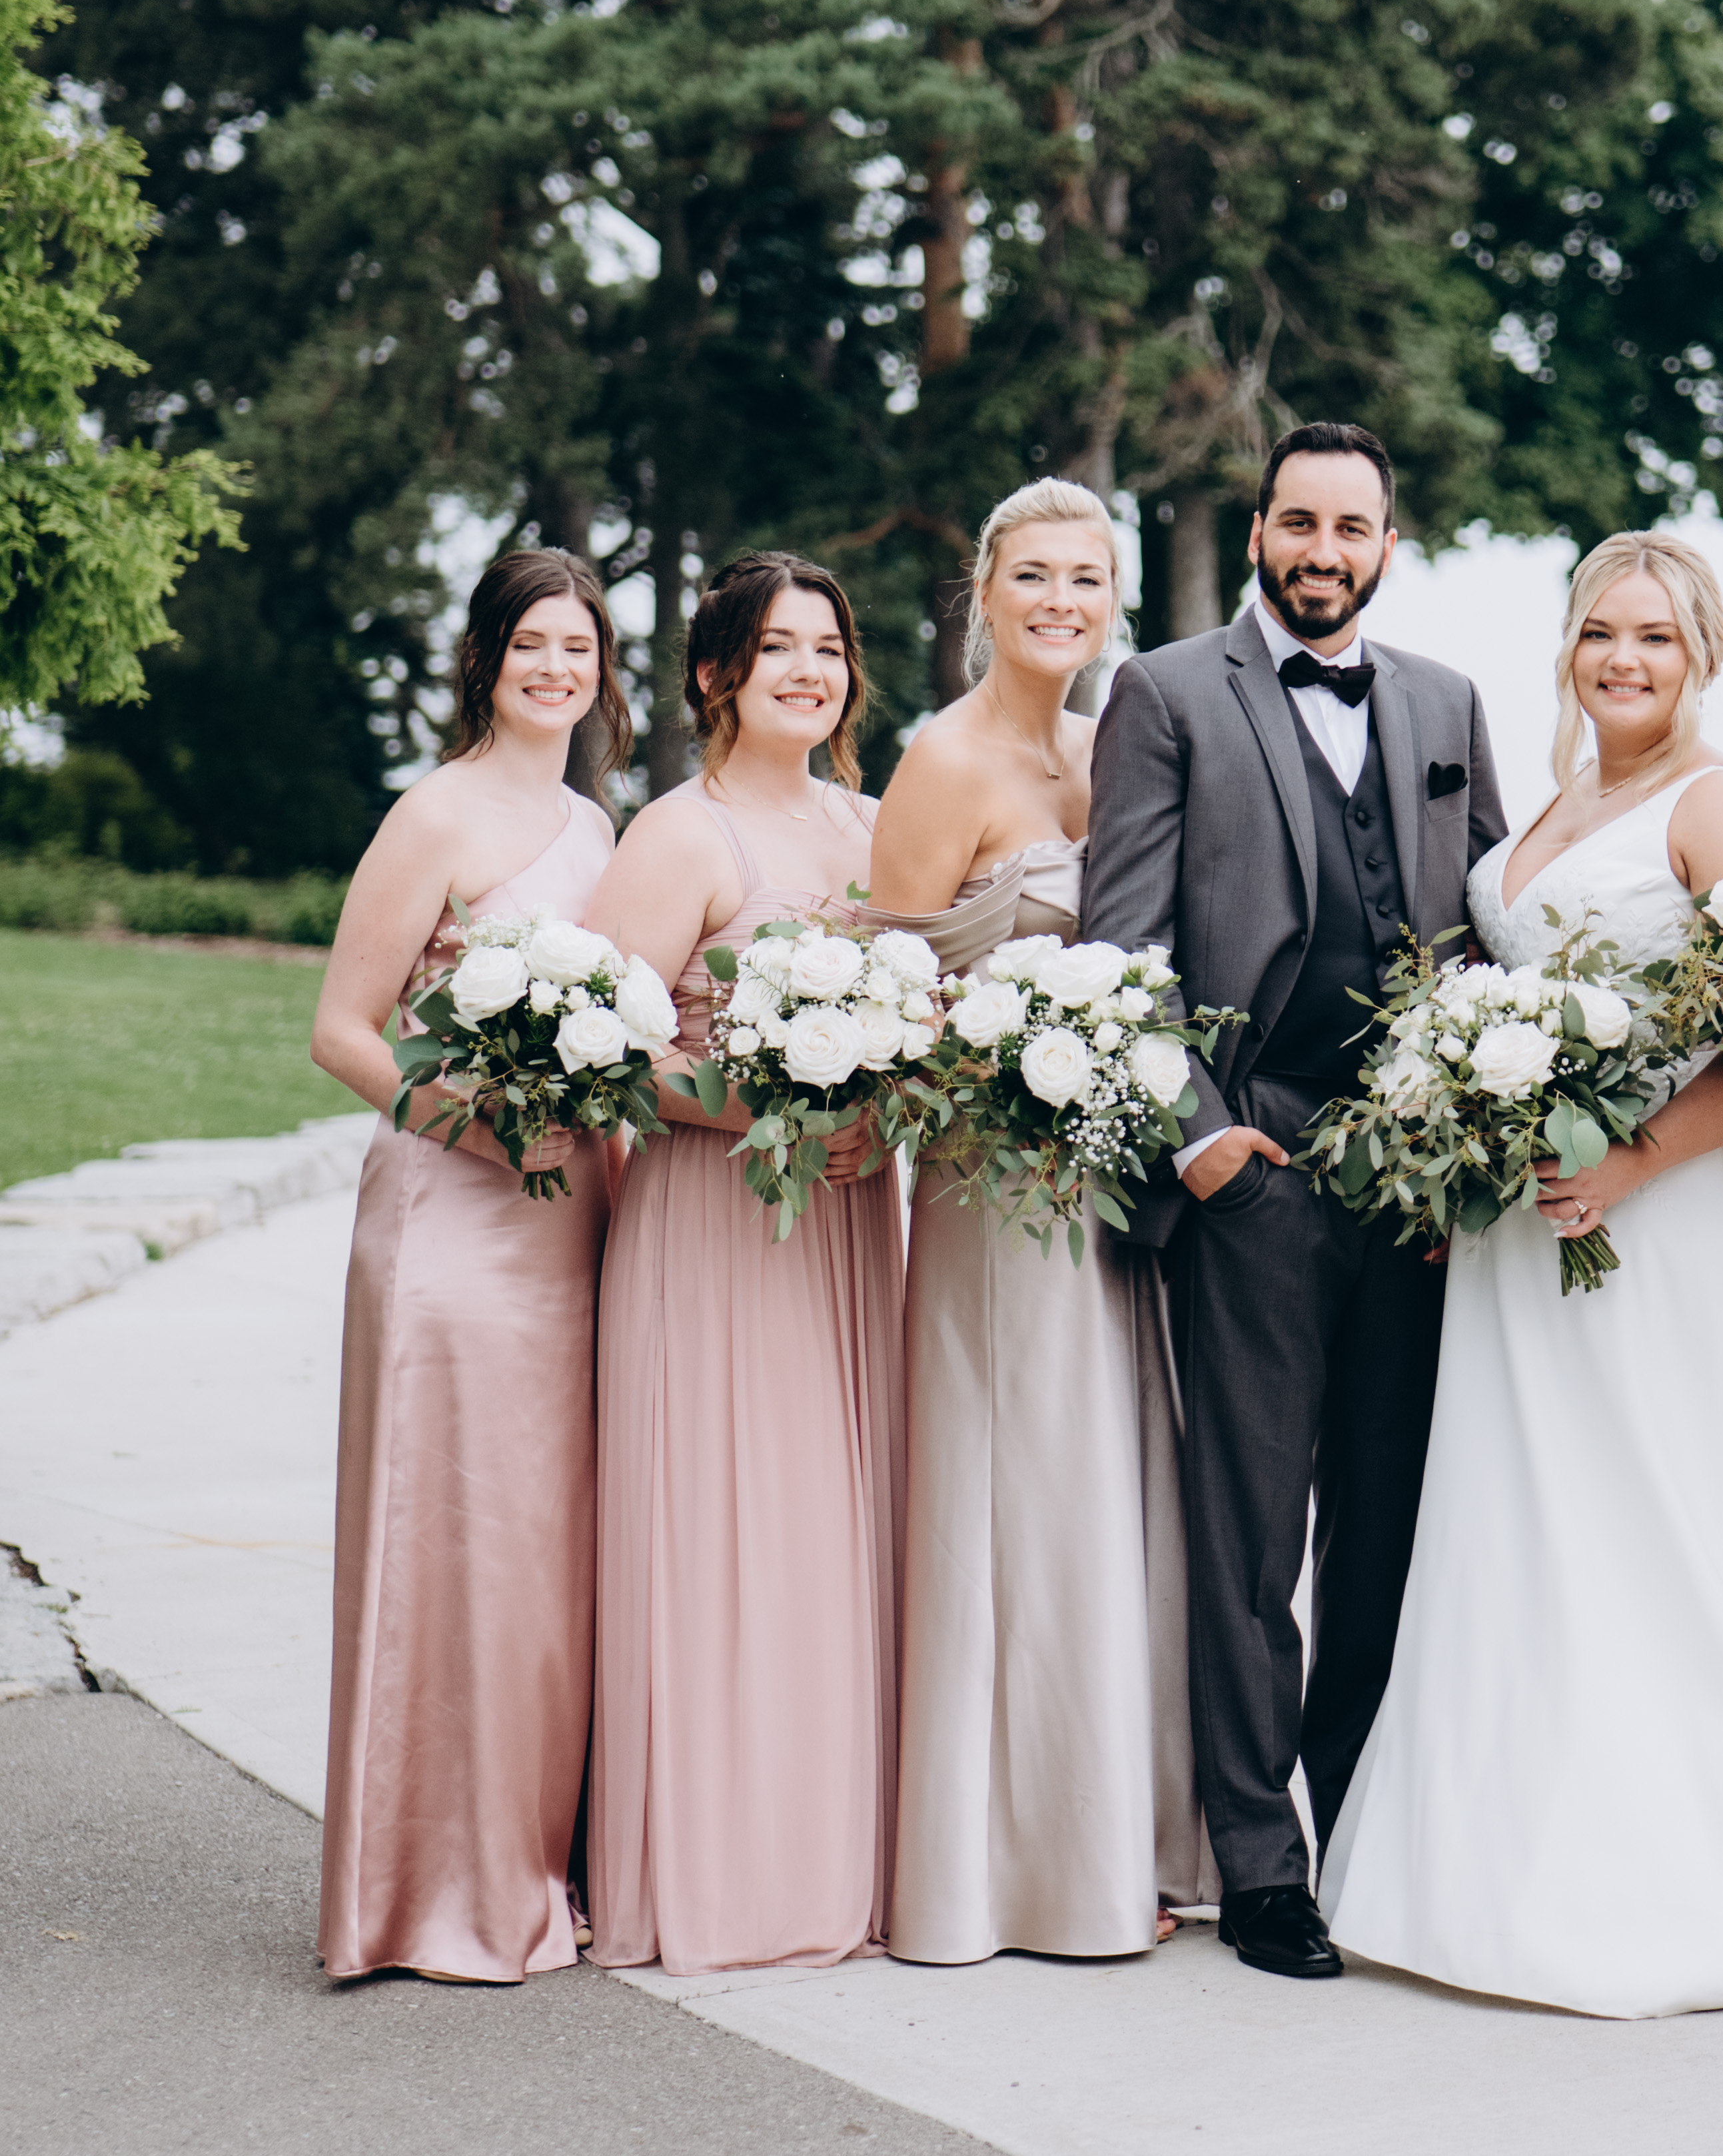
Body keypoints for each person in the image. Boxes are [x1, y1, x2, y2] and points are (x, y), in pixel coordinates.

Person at [1320, 536, 1723, 2019]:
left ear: (1701, 654)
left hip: (1674, 1224)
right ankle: (1505, 1855)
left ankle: (1717, 1868)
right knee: (1538, 1525)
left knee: (1674, 1522)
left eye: (1653, 636)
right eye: (1597, 633)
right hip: (1523, 1234)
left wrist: (1631, 1162)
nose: (1621, 659)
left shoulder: (1722, 804)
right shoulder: (1556, 800)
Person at [1077, 424, 1503, 1979]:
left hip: (1414, 1176)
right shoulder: (1168, 692)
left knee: (1385, 1524)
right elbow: (1122, 944)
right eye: (1300, 522)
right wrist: (1198, 1141)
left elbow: (1489, 934)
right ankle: (1261, 1863)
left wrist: (1476, 1138)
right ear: (1259, 530)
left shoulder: (1449, 702)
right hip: (1254, 1163)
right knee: (1251, 1532)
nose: (1325, 549)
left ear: (1390, 542)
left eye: (1353, 526)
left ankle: (1361, 1831)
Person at [865, 478, 1213, 1965]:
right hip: (996, 1188)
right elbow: (886, 1007)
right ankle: (1019, 1866)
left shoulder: (1105, 743)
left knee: (1114, 1490)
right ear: (985, 591)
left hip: (1112, 1188)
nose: (1060, 600)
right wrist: (1017, 1052)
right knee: (1028, 1492)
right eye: (1034, 575)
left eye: (1085, 577)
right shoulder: (941, 761)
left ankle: (1122, 1827)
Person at [585, 554, 906, 1975]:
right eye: (777, 647)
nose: (808, 671)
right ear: (717, 672)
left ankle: (840, 1858)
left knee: (834, 1532)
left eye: (827, 648)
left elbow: (926, 1018)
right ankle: (727, 1877)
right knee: (729, 1532)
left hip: (845, 1222)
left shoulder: (878, 828)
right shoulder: (678, 836)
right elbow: (603, 1045)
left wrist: (882, 1110)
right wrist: (760, 1110)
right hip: (717, 1221)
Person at [310, 549, 624, 1983]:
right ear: (487, 660)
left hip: (572, 1226)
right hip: (449, 1222)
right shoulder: (432, 811)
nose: (557, 668)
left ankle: (531, 1860)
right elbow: (343, 1028)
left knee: (545, 1558)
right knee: (447, 1539)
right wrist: (473, 1126)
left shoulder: (599, 827)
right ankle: (418, 1890)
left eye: (580, 647)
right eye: (532, 644)